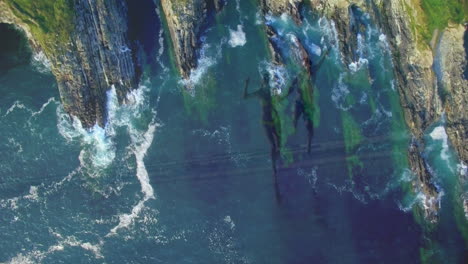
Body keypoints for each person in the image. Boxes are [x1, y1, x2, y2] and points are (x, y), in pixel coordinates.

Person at [244, 73, 295, 202]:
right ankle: (274, 166)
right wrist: (246, 84)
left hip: (272, 119)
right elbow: (245, 96)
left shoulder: (266, 91)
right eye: (266, 80)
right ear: (264, 81)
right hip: (268, 121)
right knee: (274, 144)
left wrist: (291, 87)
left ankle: (276, 162)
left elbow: (282, 97)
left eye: (266, 80)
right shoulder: (262, 91)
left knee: (278, 144)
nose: (266, 82)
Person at [293, 48, 330, 153]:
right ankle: (294, 131)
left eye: (308, 66)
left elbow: (320, 62)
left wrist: (325, 53)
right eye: (305, 66)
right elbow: (294, 83)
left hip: (308, 104)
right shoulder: (301, 73)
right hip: (300, 101)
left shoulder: (313, 70)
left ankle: (308, 146)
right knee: (295, 119)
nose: (307, 68)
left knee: (310, 128)